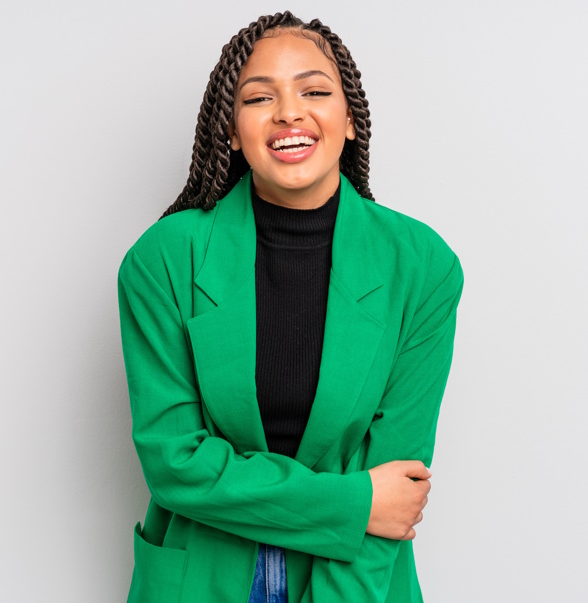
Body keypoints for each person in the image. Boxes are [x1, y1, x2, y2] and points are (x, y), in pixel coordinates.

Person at [117, 11, 464, 603]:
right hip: (200, 572)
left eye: (314, 91)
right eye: (259, 98)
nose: (289, 112)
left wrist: (369, 512)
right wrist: (356, 502)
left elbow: (398, 490)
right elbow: (174, 463)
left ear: (350, 119)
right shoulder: (164, 260)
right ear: (230, 130)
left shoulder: (423, 265)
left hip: (356, 577)